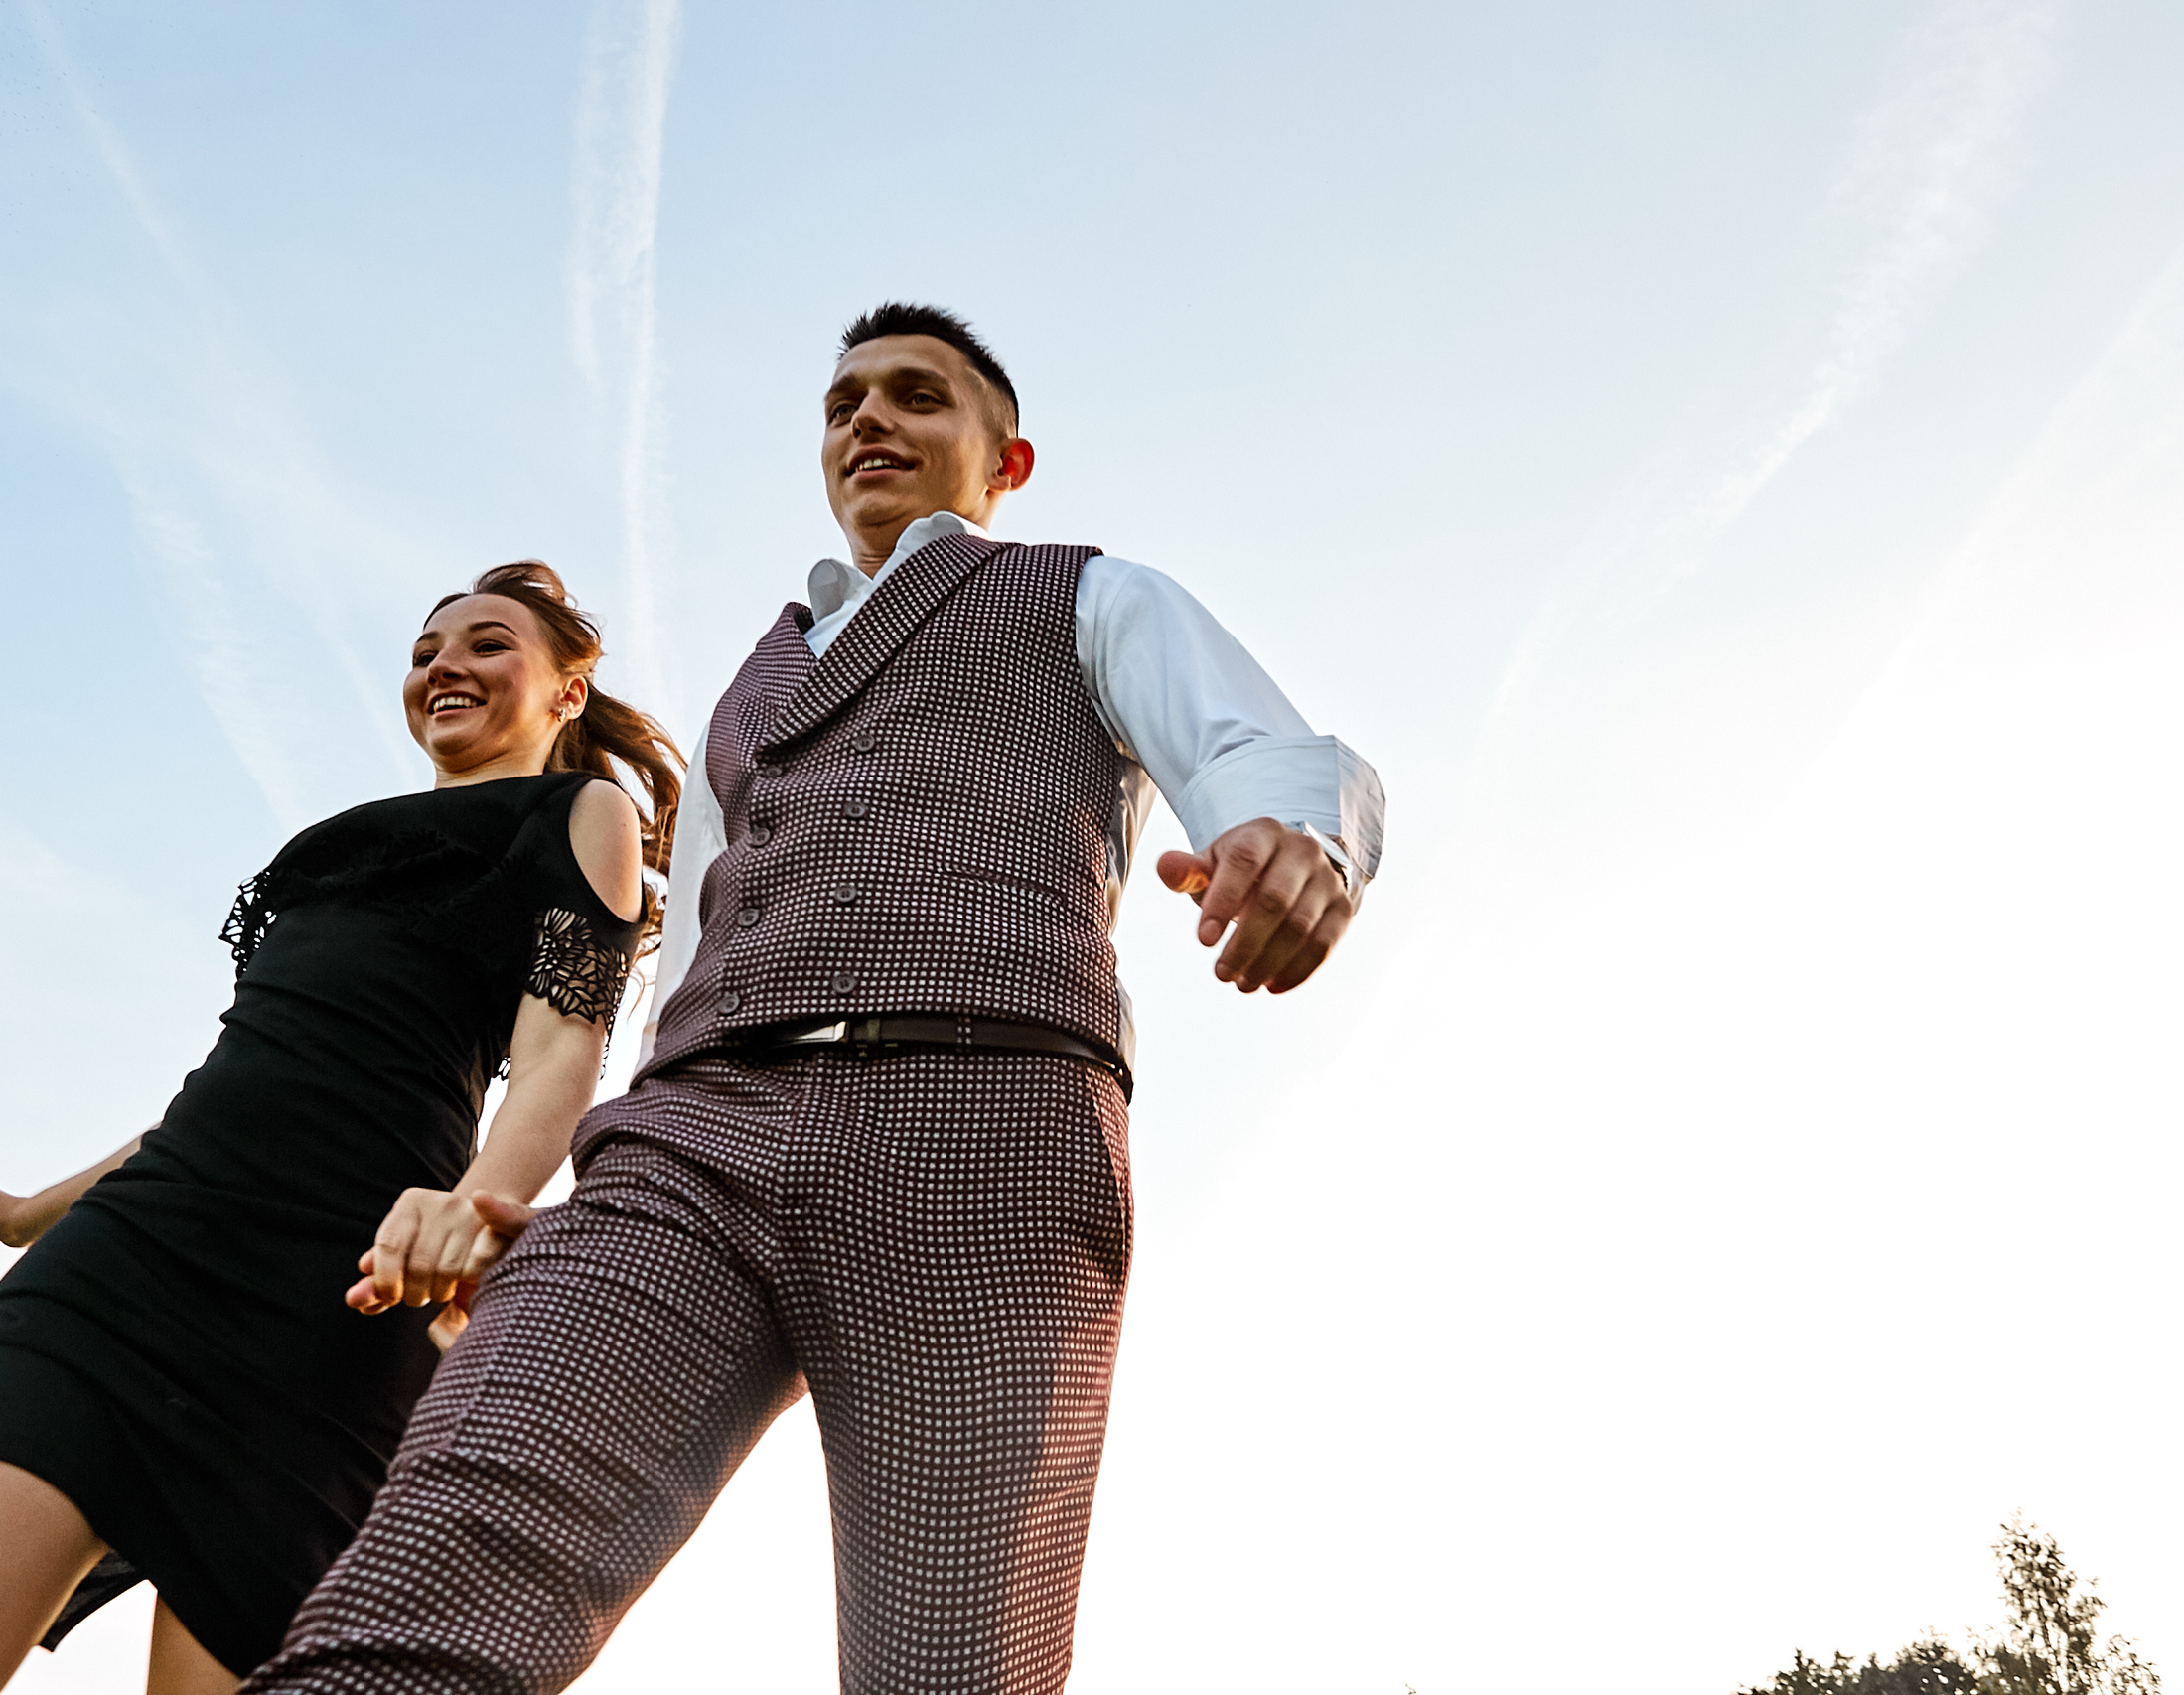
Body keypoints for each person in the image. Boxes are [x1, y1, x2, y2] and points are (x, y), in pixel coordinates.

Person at [244, 303, 1385, 1695]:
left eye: (917, 397)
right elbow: (694, 958)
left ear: (1004, 459)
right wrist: (581, 1149)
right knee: (430, 1570)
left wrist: (1290, 838)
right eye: (846, 403)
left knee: (951, 1667)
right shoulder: (748, 691)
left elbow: (1260, 747)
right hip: (690, 1139)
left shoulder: (1085, 592)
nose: (869, 422)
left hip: (985, 1125)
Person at [0, 562, 681, 1695]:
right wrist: (25, 1211)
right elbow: (236, 1081)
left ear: (568, 692)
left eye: (485, 644)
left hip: (335, 1300)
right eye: (426, 651)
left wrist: (475, 1205)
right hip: (132, 1259)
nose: (444, 667)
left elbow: (564, 1044)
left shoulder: (578, 813)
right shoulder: (332, 845)